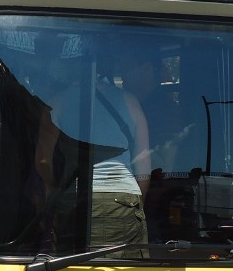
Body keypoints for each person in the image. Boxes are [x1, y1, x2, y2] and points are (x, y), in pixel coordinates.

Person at [34, 59, 150, 256]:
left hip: (77, 196)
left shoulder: (56, 103)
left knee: (81, 270)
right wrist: (135, 204)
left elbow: (43, 161)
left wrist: (57, 189)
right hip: (125, 199)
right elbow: (144, 168)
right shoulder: (130, 101)